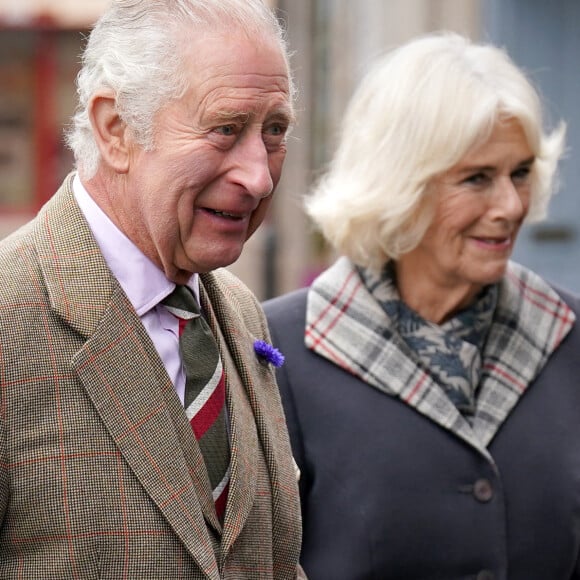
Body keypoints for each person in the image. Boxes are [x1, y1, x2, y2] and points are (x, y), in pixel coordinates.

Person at [0, 1, 306, 578]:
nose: (259, 175)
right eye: (225, 129)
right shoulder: (9, 319)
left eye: (274, 131)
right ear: (116, 128)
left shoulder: (238, 313)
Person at [263, 31, 580, 580]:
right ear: (400, 186)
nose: (510, 205)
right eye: (477, 178)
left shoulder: (571, 336)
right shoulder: (281, 350)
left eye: (521, 173)